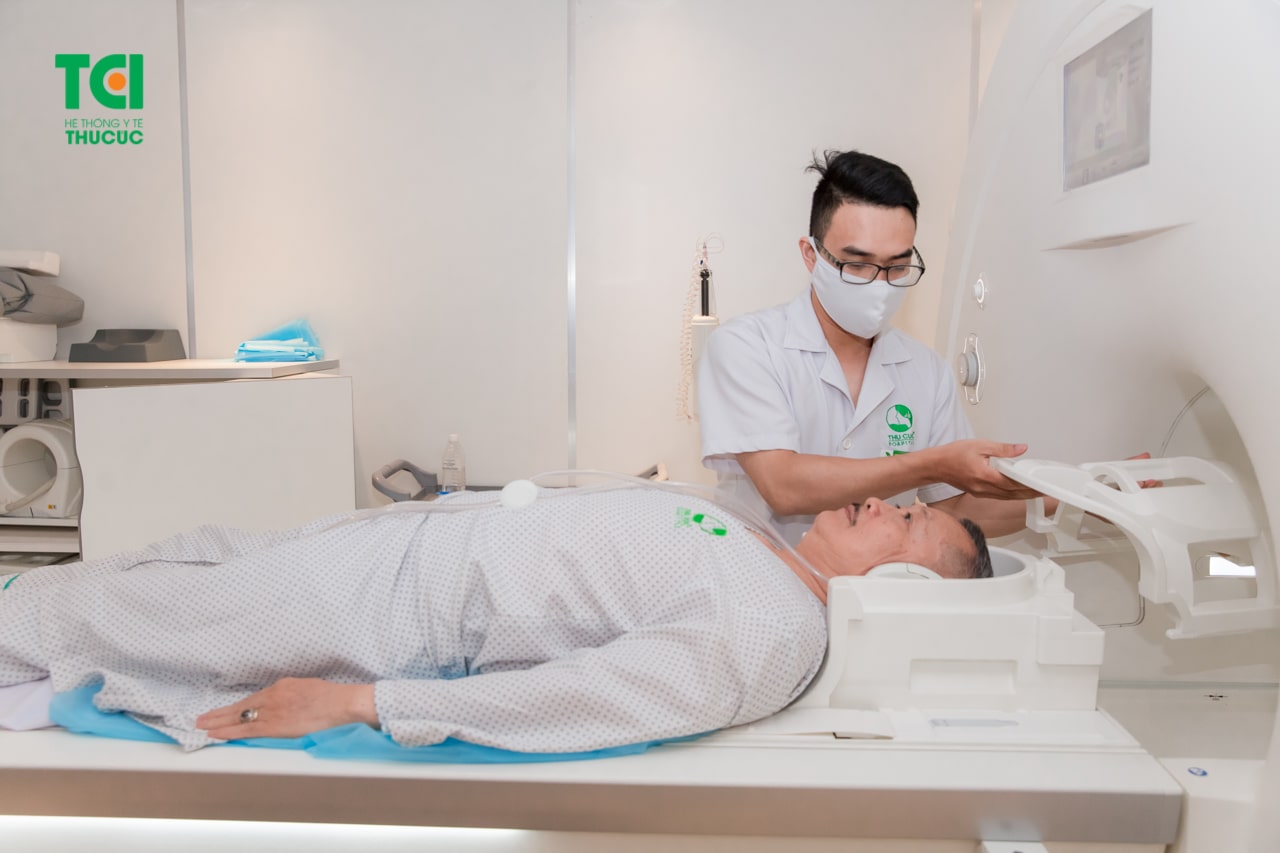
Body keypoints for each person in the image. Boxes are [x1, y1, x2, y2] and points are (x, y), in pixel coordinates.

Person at [0, 478, 990, 753]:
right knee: (187, 561)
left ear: (905, 591)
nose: (883, 502)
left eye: (906, 523)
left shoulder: (775, 631)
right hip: (401, 549)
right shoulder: (766, 548)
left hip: (397, 613)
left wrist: (363, 703)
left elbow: (590, 698)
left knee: (146, 612)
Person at [697, 149, 1042, 547]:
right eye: (857, 264)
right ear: (811, 255)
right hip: (765, 577)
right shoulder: (747, 346)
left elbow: (954, 509)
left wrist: (1075, 500)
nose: (879, 286)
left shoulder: (926, 371)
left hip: (876, 584)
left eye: (897, 266)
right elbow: (784, 486)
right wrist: (931, 465)